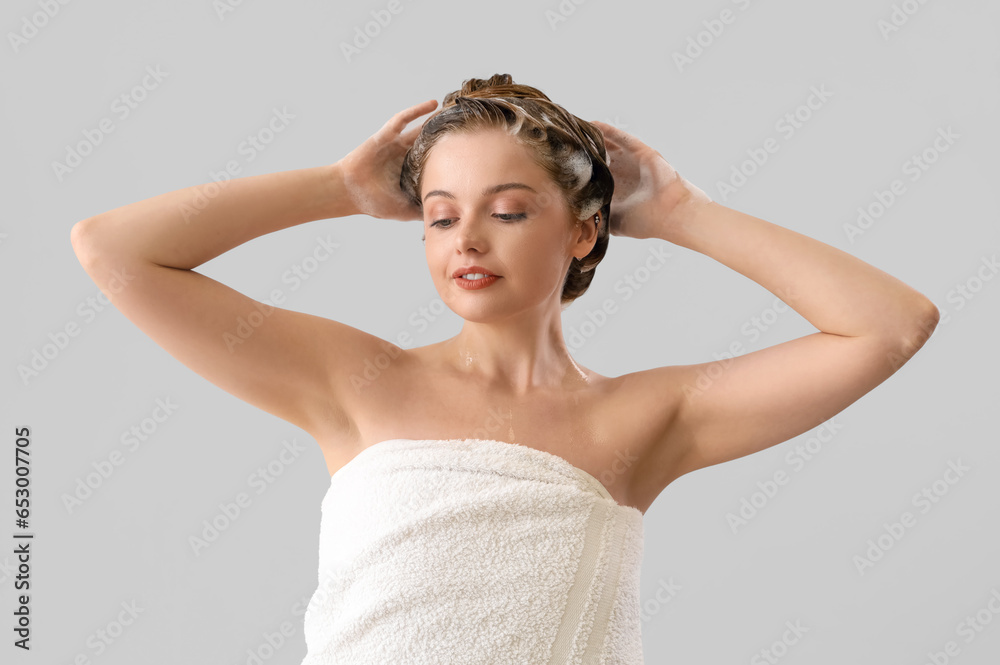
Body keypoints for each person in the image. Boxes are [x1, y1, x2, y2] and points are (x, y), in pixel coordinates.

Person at [70, 73, 940, 663]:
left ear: (582, 231)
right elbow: (112, 251)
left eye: (510, 210)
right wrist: (337, 187)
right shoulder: (358, 382)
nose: (468, 241)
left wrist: (681, 211)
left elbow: (890, 326)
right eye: (440, 217)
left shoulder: (646, 418)